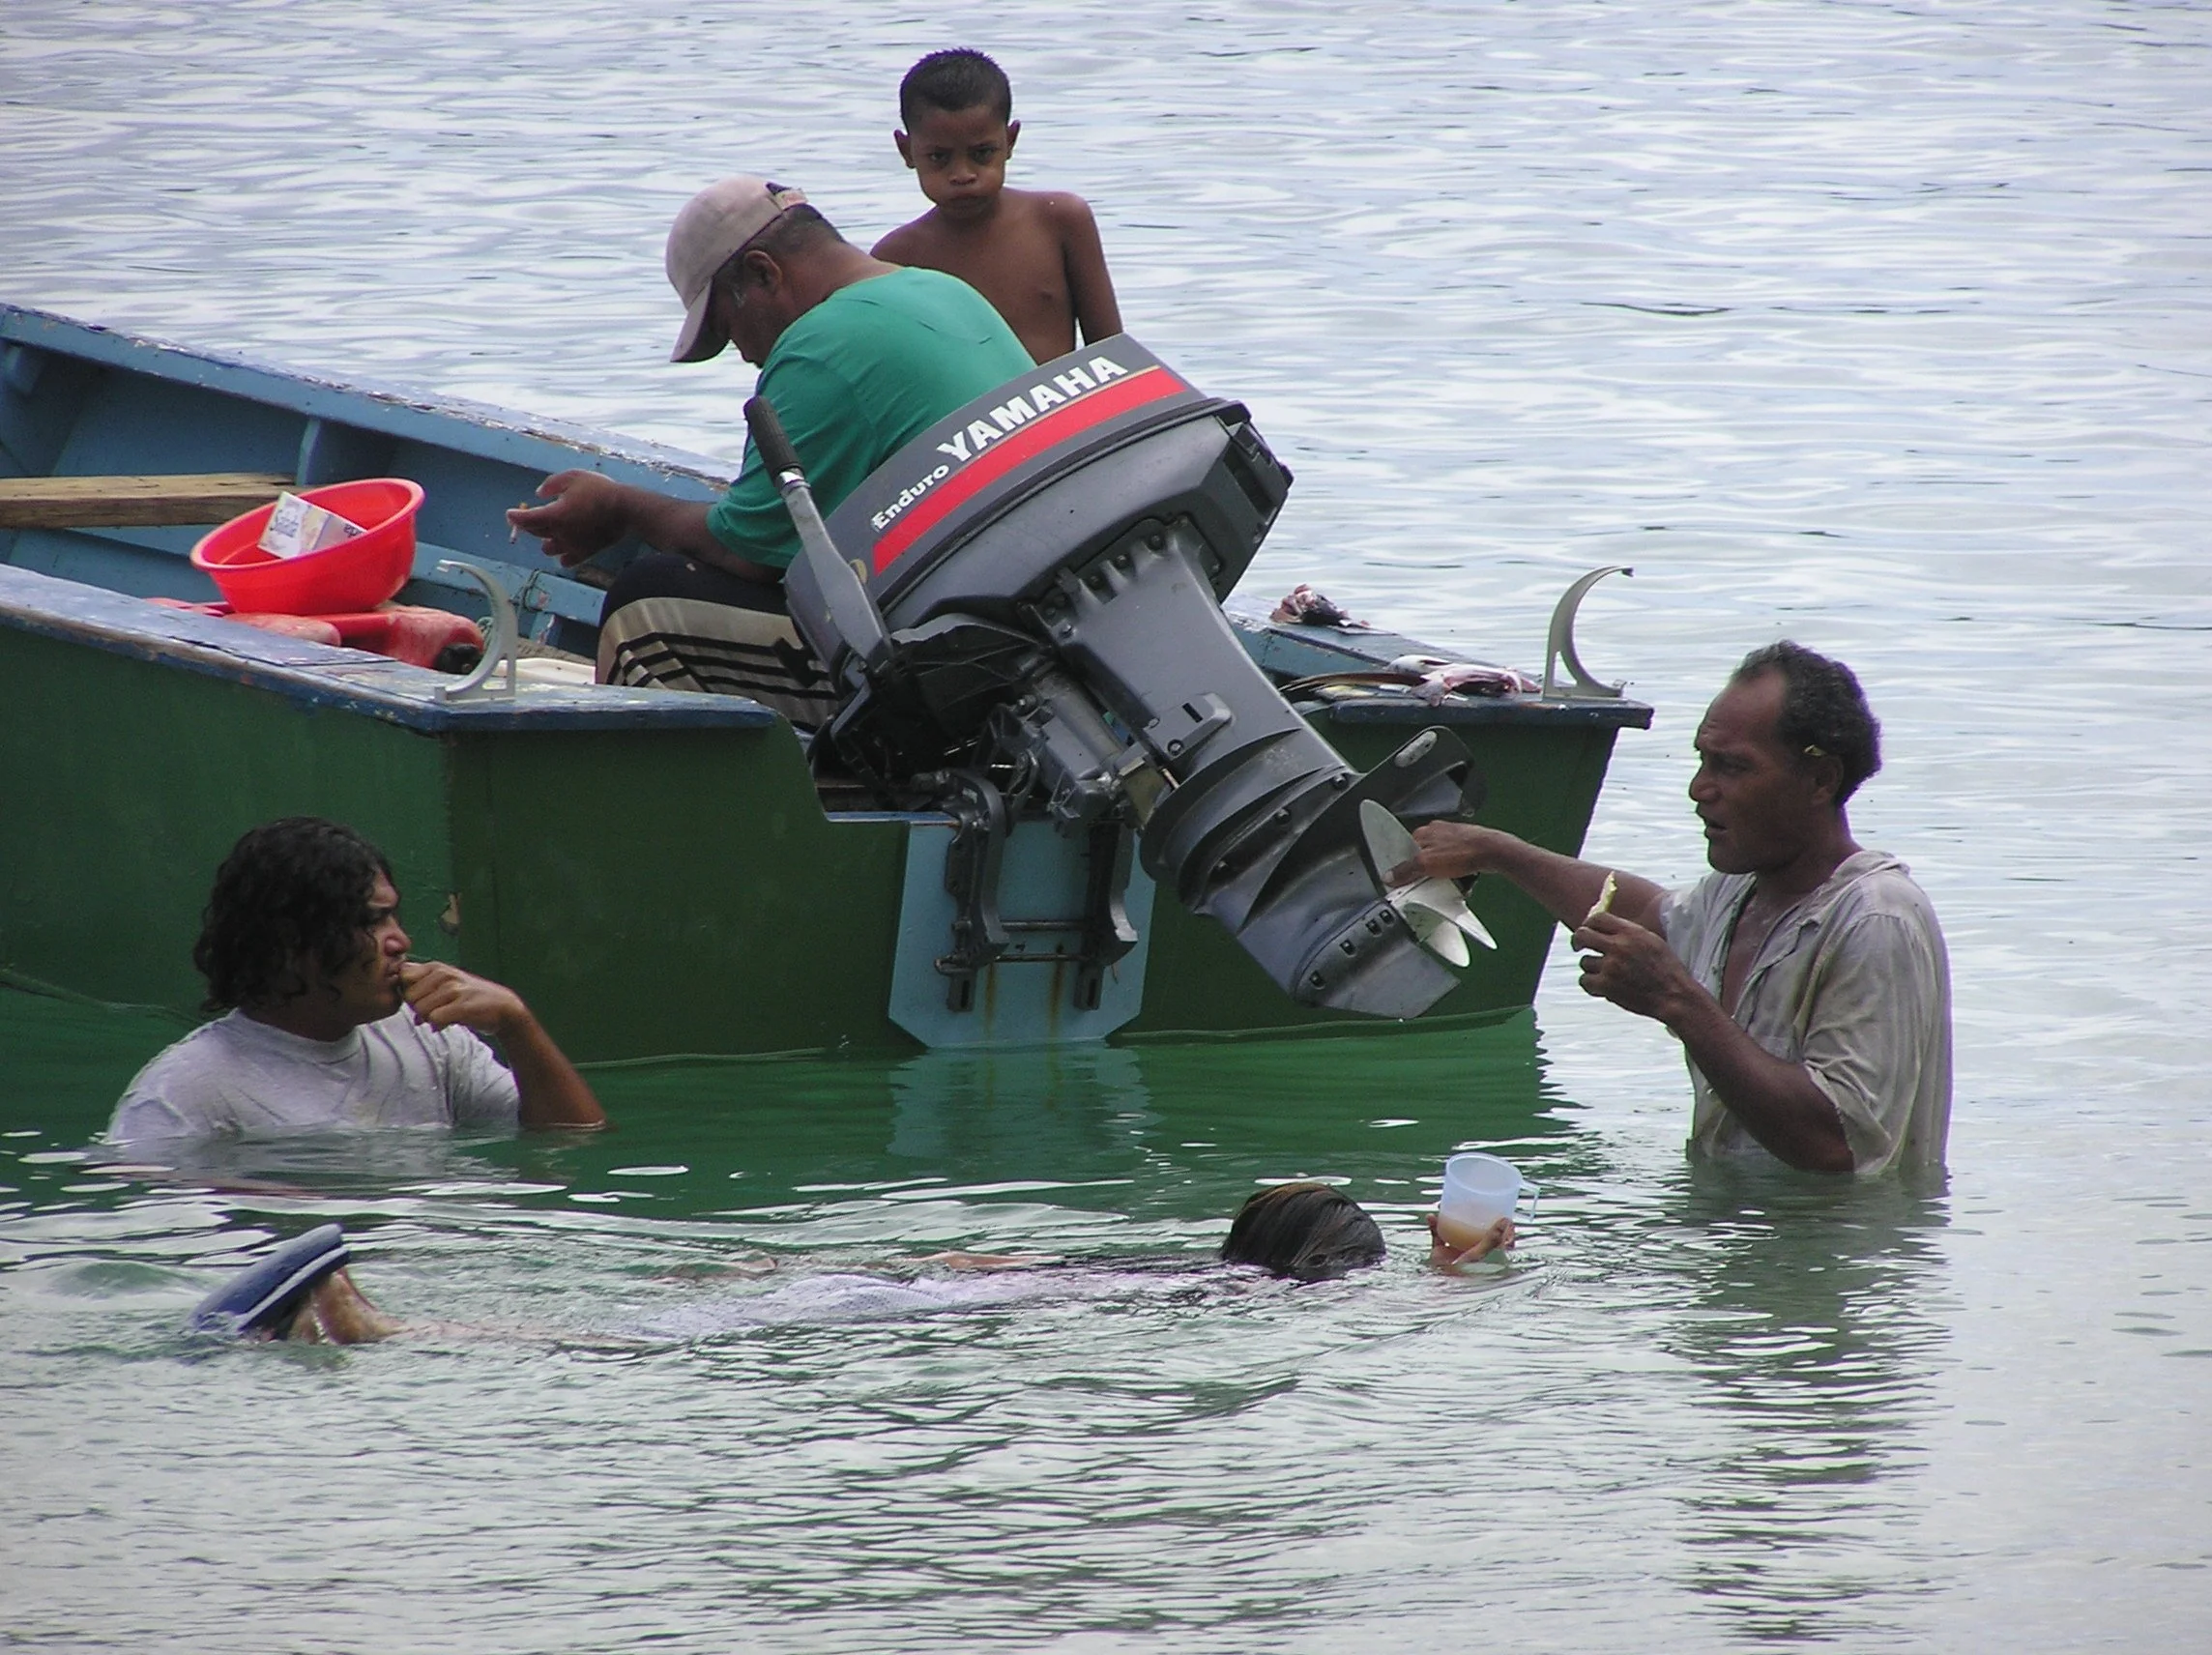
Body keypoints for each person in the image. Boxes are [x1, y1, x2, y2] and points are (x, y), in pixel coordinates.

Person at [1398, 642, 1951, 1177]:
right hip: (1728, 1227)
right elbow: (1647, 914)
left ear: (1820, 779)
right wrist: (1501, 854)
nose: (1699, 789)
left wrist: (1678, 1001)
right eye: (1702, 761)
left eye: (1732, 767)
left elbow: (1836, 1146)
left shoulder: (1876, 919)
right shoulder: (1739, 894)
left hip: (1841, 1240)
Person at [507, 175, 1033, 721]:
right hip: (1026, 624)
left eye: (729, 328)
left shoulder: (822, 346)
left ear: (763, 272)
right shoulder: (943, 290)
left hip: (958, 670)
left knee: (646, 606)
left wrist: (619, 507)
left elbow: (745, 554)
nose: (744, 354)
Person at [193, 1184, 1516, 1345]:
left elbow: (987, 1257)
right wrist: (1455, 1265)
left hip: (894, 1286)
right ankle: (379, 1330)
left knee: (649, 1325)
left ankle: (379, 1327)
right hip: (891, 1304)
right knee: (642, 1338)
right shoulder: (1208, 1288)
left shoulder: (1192, 1271)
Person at [109, 818, 605, 1144]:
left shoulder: (429, 1039)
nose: (401, 941)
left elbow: (571, 1145)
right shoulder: (185, 1094)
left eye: (393, 917)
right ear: (290, 944)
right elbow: (147, 1227)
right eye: (371, 922)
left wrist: (518, 1026)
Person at [871, 48, 1122, 364]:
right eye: (939, 157)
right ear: (906, 151)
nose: (962, 175)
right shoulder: (894, 258)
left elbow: (1114, 352)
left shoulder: (1060, 220)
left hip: (1060, 398)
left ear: (1010, 141)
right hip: (966, 401)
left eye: (982, 153)